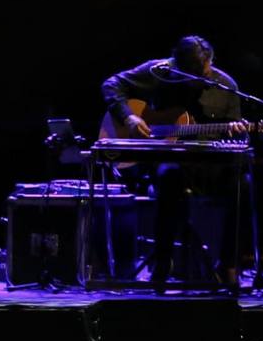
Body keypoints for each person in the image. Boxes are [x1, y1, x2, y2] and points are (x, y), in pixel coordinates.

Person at [101, 35, 249, 290]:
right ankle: (163, 261)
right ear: (178, 66)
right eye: (189, 75)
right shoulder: (159, 72)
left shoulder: (226, 86)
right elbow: (111, 85)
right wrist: (129, 119)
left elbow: (234, 139)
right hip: (169, 161)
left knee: (242, 185)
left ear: (210, 63)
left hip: (209, 168)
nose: (197, 82)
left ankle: (227, 264)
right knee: (171, 177)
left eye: (202, 74)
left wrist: (237, 131)